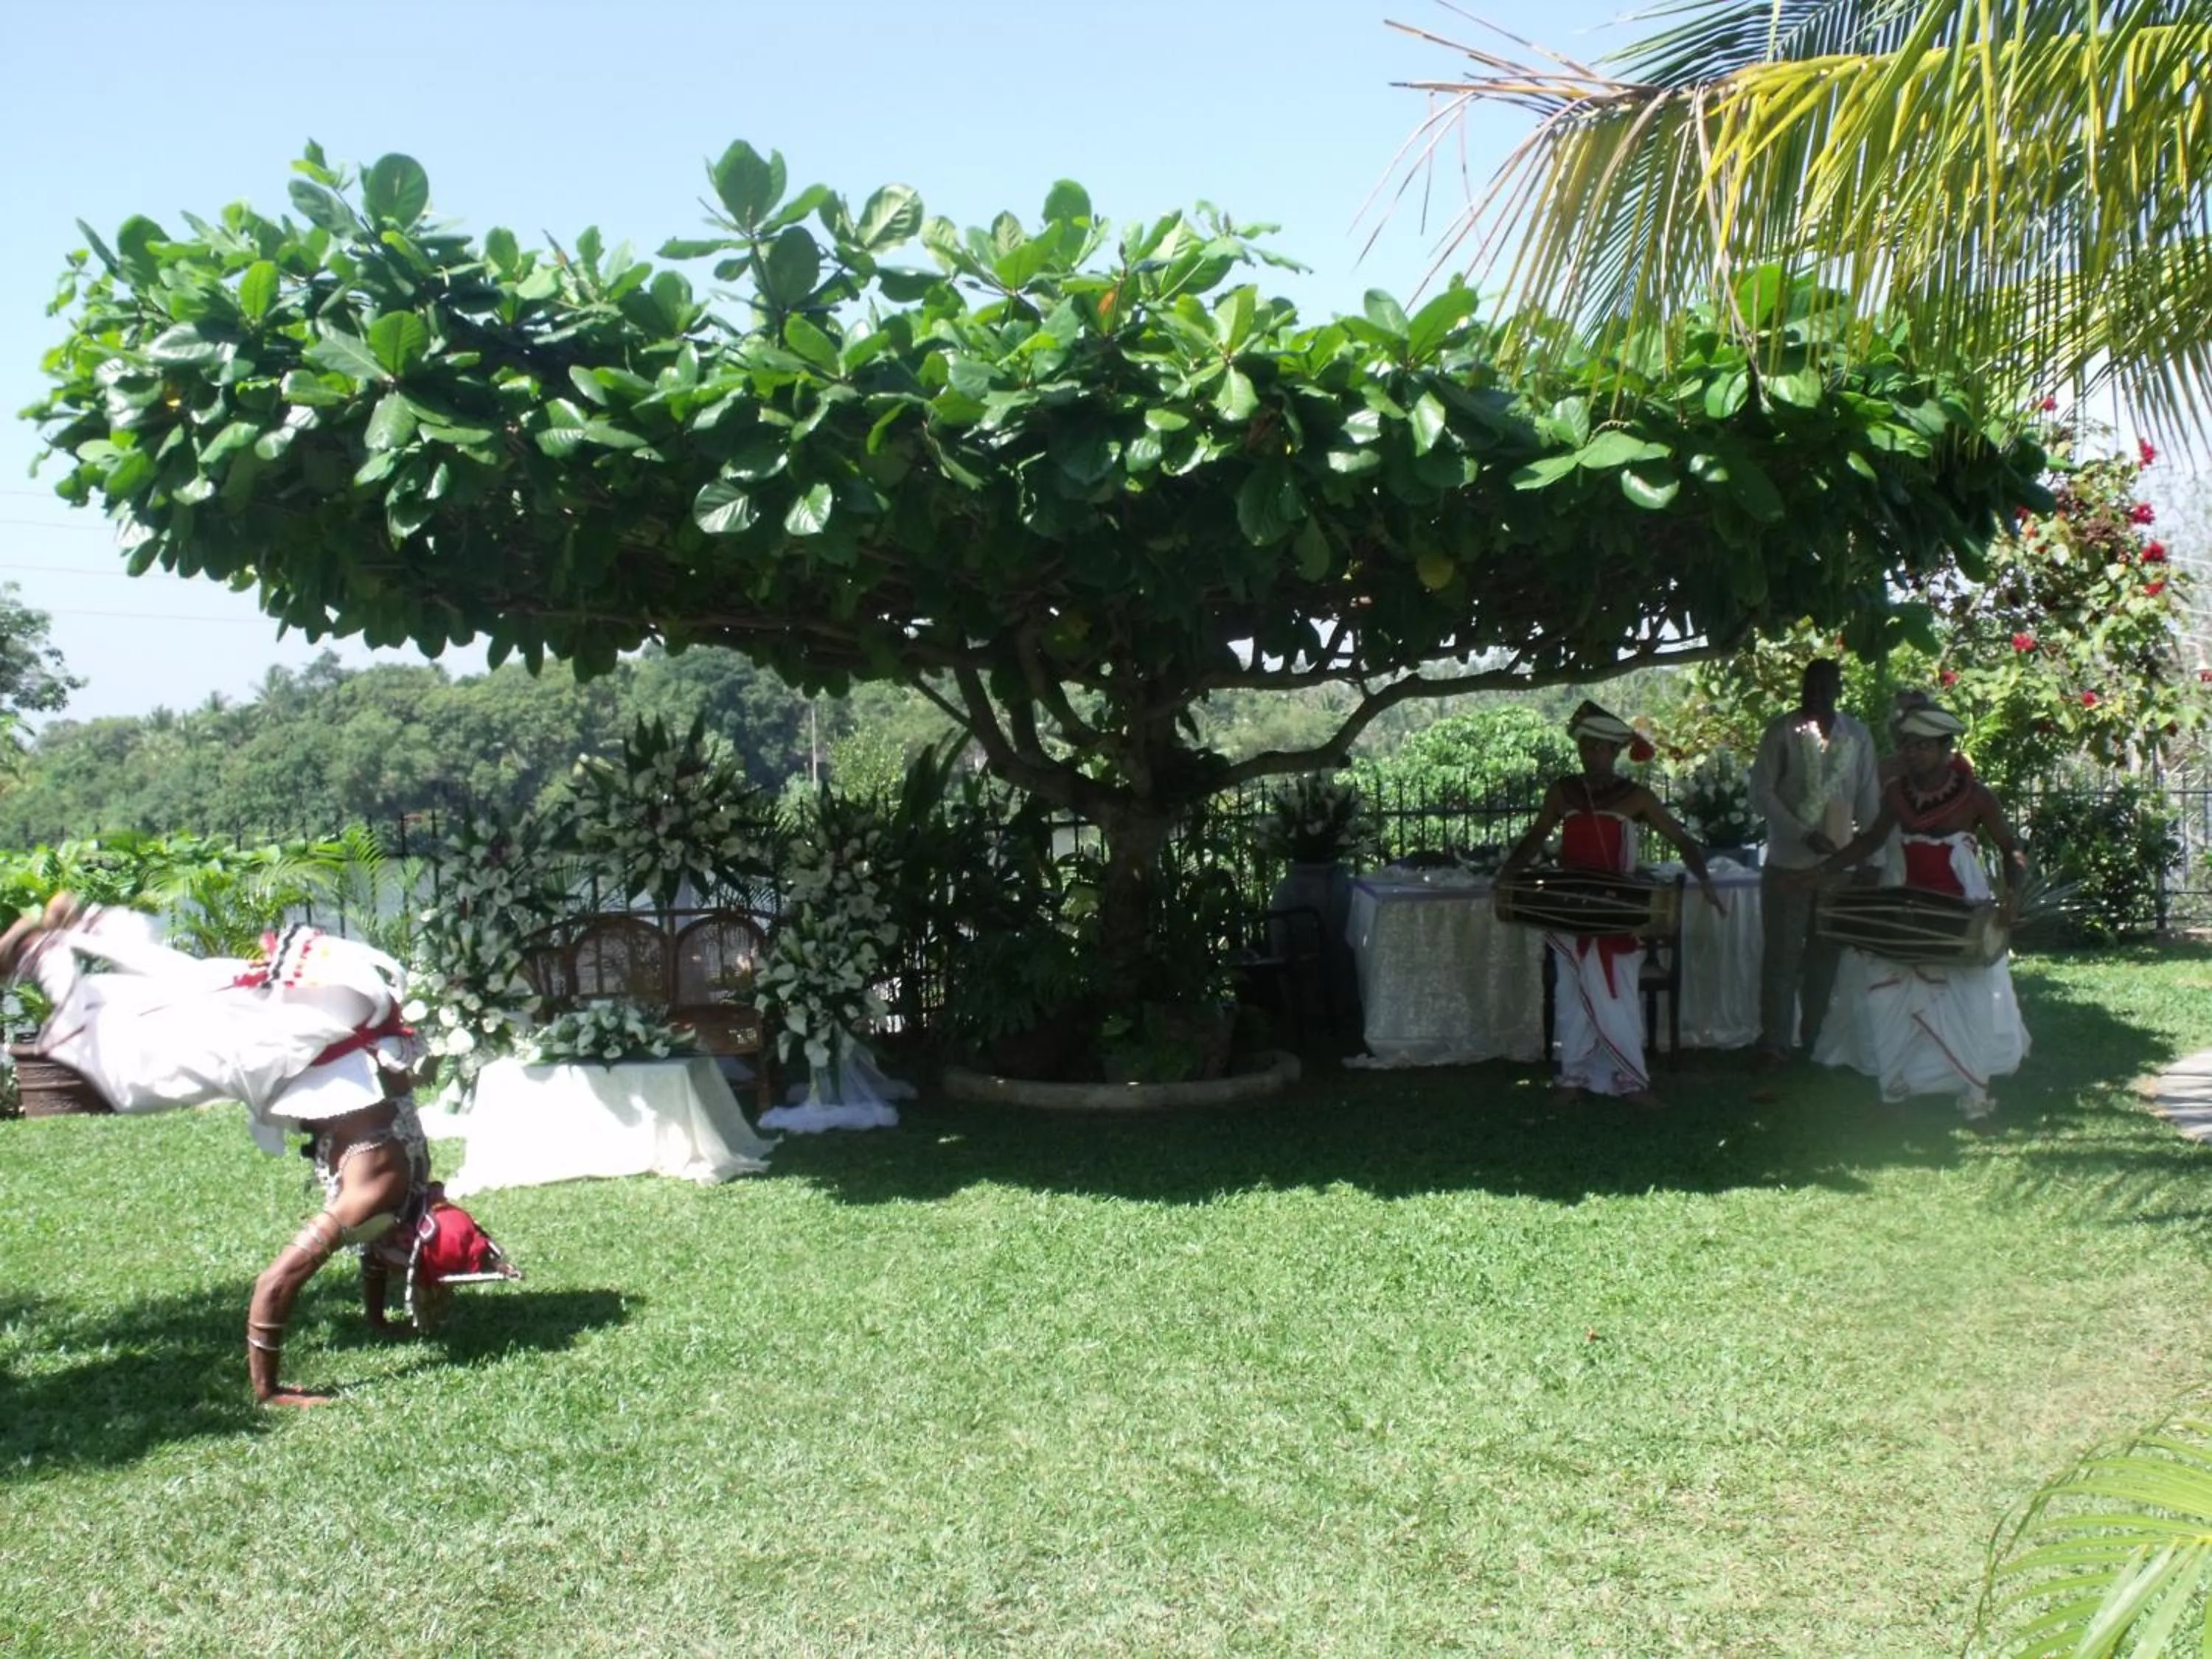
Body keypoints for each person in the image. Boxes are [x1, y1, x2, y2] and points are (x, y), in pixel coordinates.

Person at [0, 897, 437, 1407]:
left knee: (200, 1002)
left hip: (344, 1049)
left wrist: (380, 1319)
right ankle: (52, 951)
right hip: (323, 1049)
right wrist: (269, 1388)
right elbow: (275, 1282)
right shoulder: (380, 1191)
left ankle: (69, 942)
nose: (431, 1296)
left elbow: (374, 1248)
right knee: (156, 1066)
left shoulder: (405, 1188)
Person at [1800, 703, 2030, 1124]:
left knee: (1966, 1002)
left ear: (1946, 748)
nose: (1912, 753)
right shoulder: (1895, 794)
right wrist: (1823, 871)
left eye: (1923, 746)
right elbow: (1870, 840)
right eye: (1907, 745)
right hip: (1906, 910)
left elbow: (2010, 847)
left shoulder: (1976, 797)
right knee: (1890, 997)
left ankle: (1975, 1098)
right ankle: (1895, 1091)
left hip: (1962, 917)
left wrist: (2012, 893)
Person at [1500, 700, 1723, 1106]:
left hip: (1617, 909)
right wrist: (1508, 873)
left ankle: (1632, 1081)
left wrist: (1705, 879)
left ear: (1616, 752)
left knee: (1617, 993)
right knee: (1570, 993)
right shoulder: (1562, 791)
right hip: (1569, 906)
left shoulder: (1635, 796)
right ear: (1580, 749)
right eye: (1588, 747)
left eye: (1602, 748)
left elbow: (1682, 839)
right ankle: (1572, 1078)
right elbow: (1535, 838)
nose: (1594, 755)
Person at [1749, 659, 1880, 1065]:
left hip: (1838, 869)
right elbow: (1761, 793)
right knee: (1782, 957)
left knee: (1826, 956)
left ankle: (1817, 1040)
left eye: (1825, 689)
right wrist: (1802, 833)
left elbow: (1870, 800)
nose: (1816, 696)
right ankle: (1774, 1043)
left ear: (1839, 690)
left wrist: (1869, 859)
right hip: (1789, 863)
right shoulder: (1781, 732)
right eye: (1810, 688)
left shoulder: (1857, 735)